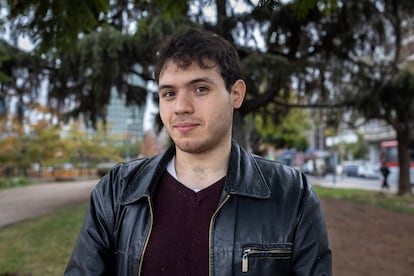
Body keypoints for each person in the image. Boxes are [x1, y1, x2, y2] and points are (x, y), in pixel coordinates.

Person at [65, 29, 332, 275]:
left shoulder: (292, 194)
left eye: (200, 89)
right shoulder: (117, 191)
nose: (181, 107)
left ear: (236, 94)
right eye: (169, 94)